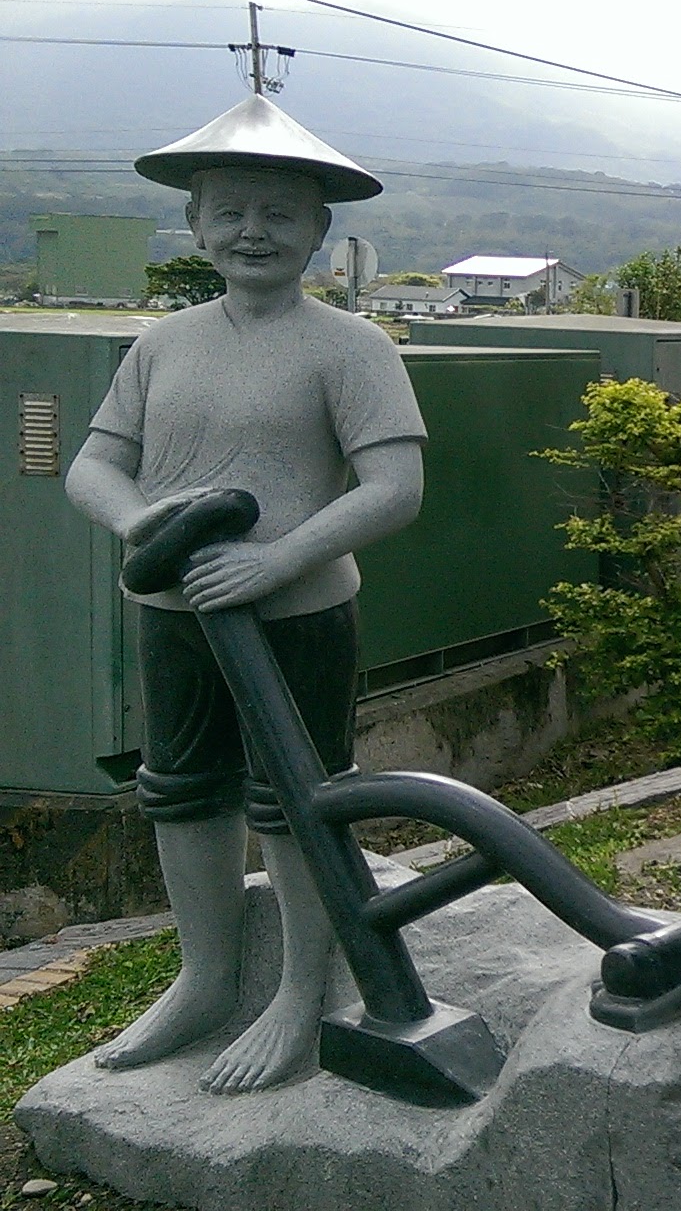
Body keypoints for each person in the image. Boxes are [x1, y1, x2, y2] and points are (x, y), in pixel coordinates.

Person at [63, 95, 425, 1095]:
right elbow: (93, 464)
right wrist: (139, 519)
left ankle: (303, 982)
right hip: (178, 612)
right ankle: (207, 972)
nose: (252, 231)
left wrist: (279, 559)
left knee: (295, 796)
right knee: (181, 786)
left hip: (297, 616)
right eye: (229, 211)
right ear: (194, 225)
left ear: (319, 229)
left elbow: (395, 486)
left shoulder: (353, 348)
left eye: (278, 212)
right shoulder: (162, 344)